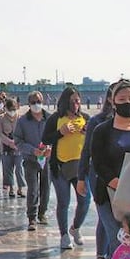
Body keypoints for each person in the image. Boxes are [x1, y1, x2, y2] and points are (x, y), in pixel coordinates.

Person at [89, 80, 130, 259]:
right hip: (108, 193)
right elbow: (98, 163)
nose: (127, 102)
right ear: (113, 102)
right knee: (117, 238)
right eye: (122, 99)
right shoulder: (102, 130)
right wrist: (117, 183)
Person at [42, 87, 91, 249]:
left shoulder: (85, 118)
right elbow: (45, 139)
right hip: (60, 166)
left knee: (84, 201)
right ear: (65, 102)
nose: (76, 104)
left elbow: (96, 139)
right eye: (72, 101)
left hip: (81, 168)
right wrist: (60, 132)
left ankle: (75, 228)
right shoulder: (55, 118)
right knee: (63, 202)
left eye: (77, 101)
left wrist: (88, 132)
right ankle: (64, 235)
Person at [78, 85, 117, 259]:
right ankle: (102, 257)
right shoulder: (98, 122)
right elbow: (87, 151)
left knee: (119, 219)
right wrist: (81, 177)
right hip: (100, 176)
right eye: (120, 97)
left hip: (125, 178)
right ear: (110, 98)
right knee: (106, 218)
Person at [14, 91, 51, 232]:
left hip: (47, 159)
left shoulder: (50, 119)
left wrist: (50, 148)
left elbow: (56, 137)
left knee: (46, 187)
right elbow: (18, 141)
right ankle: (32, 217)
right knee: (33, 189)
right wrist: (32, 150)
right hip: (30, 159)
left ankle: (42, 213)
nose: (36, 104)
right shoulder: (23, 121)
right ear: (29, 104)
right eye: (33, 102)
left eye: (39, 101)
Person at [0, 97, 26, 198]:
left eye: (14, 109)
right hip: (5, 148)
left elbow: (24, 133)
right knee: (7, 168)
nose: (12, 111)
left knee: (19, 168)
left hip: (18, 148)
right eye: (10, 109)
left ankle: (20, 188)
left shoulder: (20, 118)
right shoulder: (1, 118)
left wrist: (17, 143)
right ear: (6, 108)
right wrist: (9, 142)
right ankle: (11, 188)